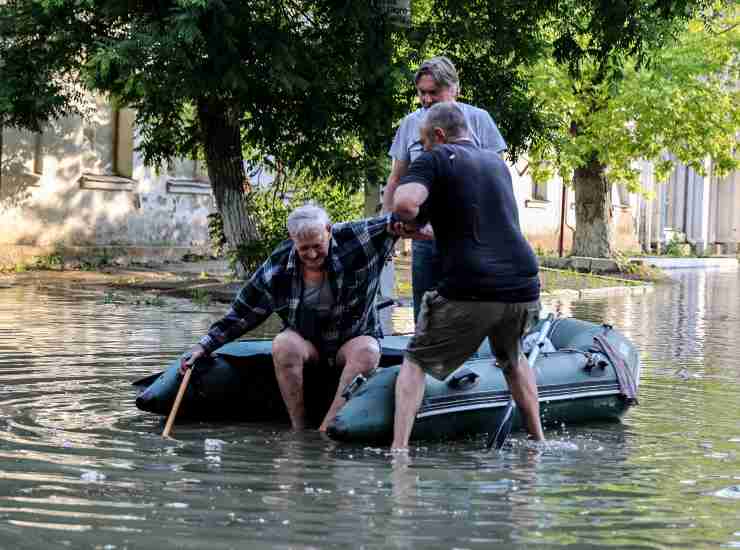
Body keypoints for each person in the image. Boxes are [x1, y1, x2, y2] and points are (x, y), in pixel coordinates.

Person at [390, 102, 545, 450]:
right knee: (513, 358)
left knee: (415, 360)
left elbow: (405, 203)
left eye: (425, 141)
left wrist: (406, 214)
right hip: (523, 285)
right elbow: (477, 226)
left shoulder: (435, 158)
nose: (424, 148)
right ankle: (538, 442)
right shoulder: (496, 164)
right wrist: (423, 229)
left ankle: (397, 452)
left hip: (472, 288)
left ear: (440, 135)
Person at [181, 204, 397, 432]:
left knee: (369, 351)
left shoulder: (357, 237)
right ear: (292, 239)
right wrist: (203, 347)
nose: (312, 255)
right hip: (308, 343)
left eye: (317, 245)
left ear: (329, 230)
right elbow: (243, 312)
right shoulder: (277, 267)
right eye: (304, 249)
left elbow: (400, 218)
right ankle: (299, 430)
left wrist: (420, 226)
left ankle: (327, 429)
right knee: (283, 343)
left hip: (352, 339)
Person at [384, 55, 507, 321]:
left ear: (454, 89)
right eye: (422, 93)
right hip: (425, 239)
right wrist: (386, 226)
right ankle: (424, 358)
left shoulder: (479, 120)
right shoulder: (410, 124)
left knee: (469, 313)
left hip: (471, 239)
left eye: (434, 92)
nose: (426, 99)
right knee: (426, 315)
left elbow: (497, 183)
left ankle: (471, 360)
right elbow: (396, 179)